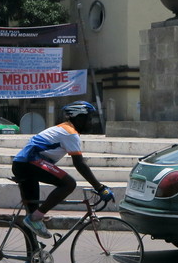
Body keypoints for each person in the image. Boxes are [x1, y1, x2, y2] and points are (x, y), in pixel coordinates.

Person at [12, 101, 113, 239]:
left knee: (32, 214)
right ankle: (36, 218)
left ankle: (33, 257)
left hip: (23, 164)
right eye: (88, 119)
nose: (91, 122)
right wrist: (100, 188)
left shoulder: (64, 129)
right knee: (69, 184)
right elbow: (80, 164)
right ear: (79, 118)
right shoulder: (70, 133)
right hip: (29, 162)